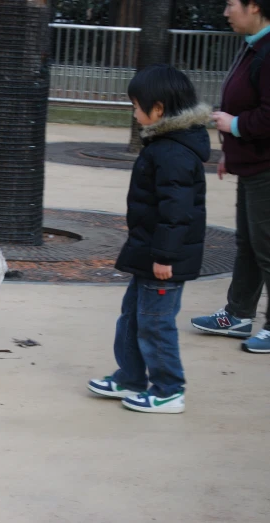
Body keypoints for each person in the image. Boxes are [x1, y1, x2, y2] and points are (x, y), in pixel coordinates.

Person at [88, 64, 211, 414]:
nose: (133, 111)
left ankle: (169, 390)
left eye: (136, 105)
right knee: (132, 316)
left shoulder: (172, 152)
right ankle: (130, 377)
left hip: (164, 260)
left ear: (158, 109)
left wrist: (165, 257)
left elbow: (177, 213)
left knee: (155, 324)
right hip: (150, 253)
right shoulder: (164, 144)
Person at [190, 0, 270, 354]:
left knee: (266, 248)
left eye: (231, 4)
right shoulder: (254, 47)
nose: (225, 12)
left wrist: (234, 125)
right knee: (249, 245)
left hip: (267, 169)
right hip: (252, 163)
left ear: (254, 6)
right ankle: (238, 314)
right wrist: (231, 152)